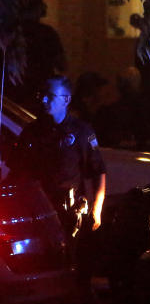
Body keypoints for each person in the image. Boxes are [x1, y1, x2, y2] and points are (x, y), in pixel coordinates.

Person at [7, 75, 106, 280]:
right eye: (41, 95)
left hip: (69, 213)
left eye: (49, 96)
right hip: (37, 213)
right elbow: (16, 172)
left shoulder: (81, 132)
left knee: (72, 268)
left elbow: (98, 171)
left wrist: (96, 209)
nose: (43, 100)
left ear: (66, 100)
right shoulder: (32, 132)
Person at [10, 0, 67, 111]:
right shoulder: (47, 33)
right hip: (41, 93)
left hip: (14, 95)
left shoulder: (11, 34)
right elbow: (62, 64)